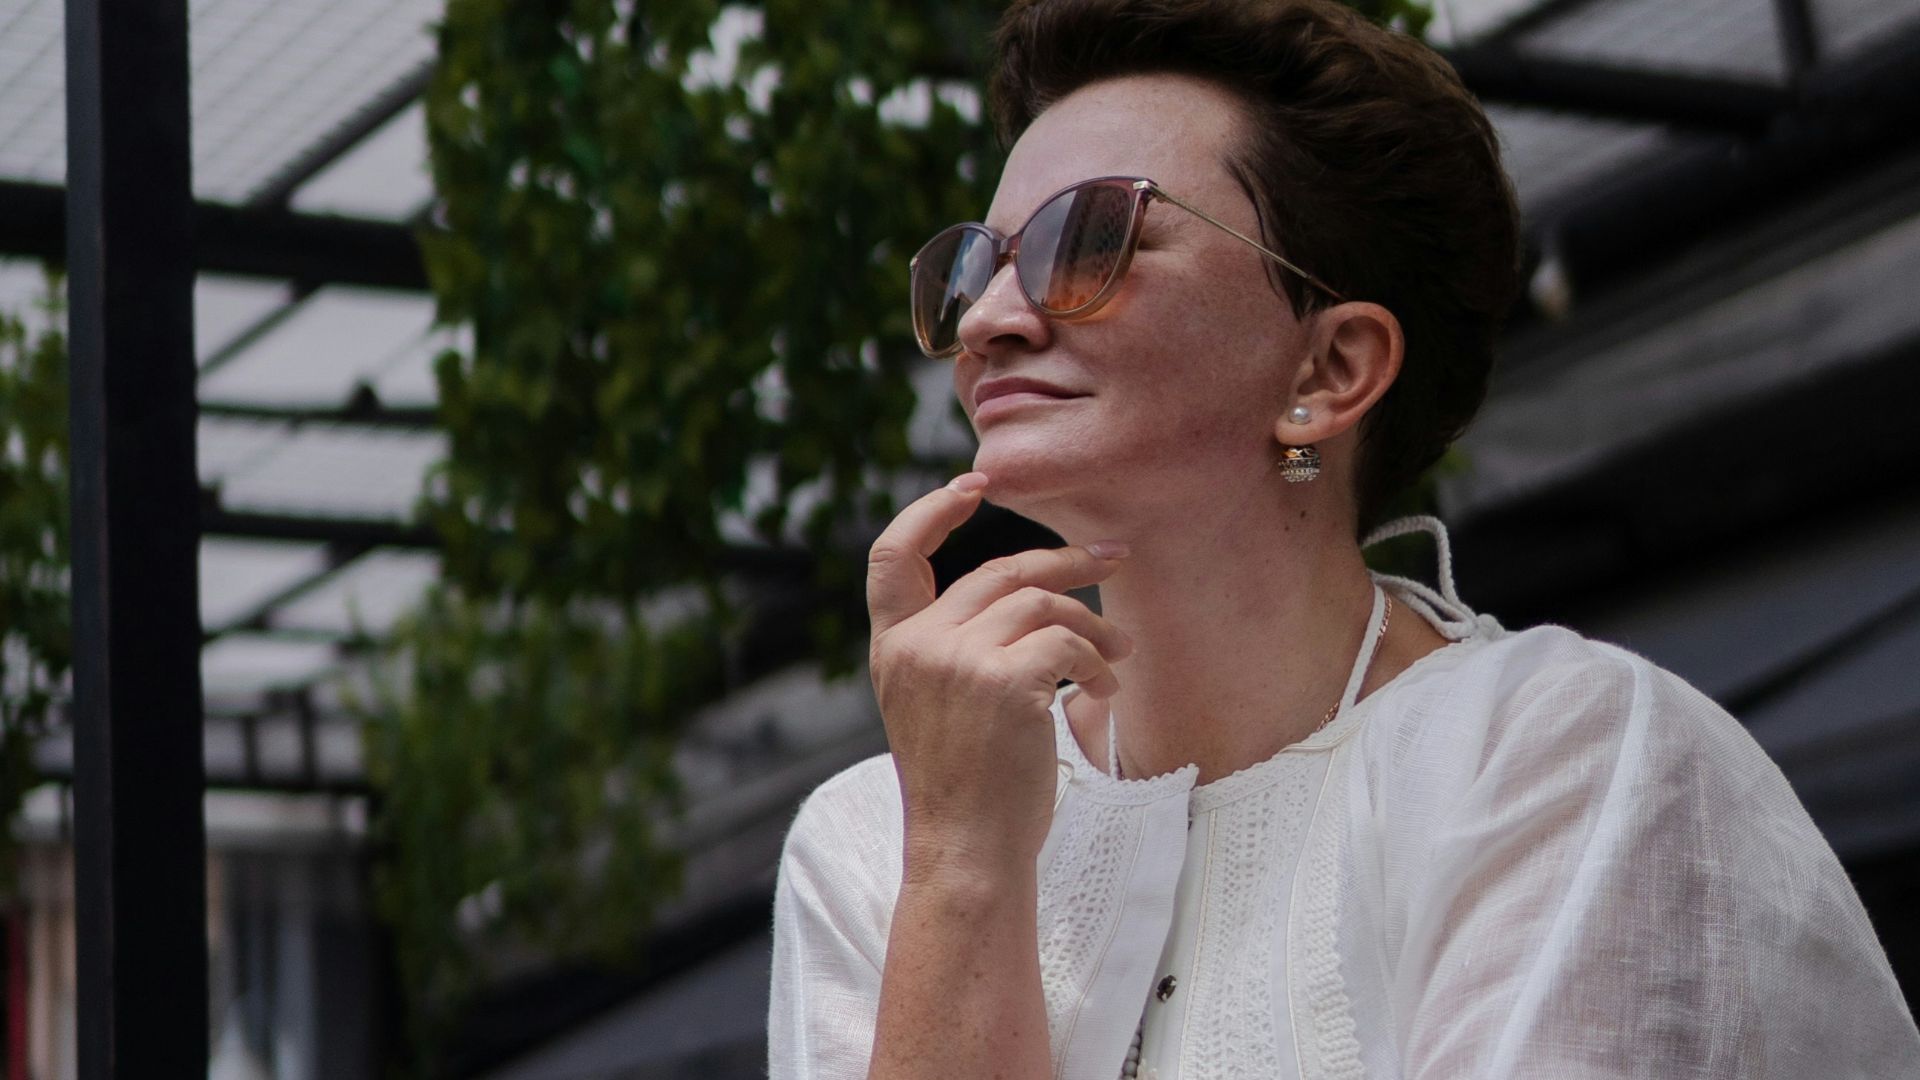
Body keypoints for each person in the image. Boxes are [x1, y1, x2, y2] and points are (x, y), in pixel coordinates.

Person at [768, 0, 1920, 1077]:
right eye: (978, 262)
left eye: (1090, 240)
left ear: (1327, 371)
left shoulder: (1555, 754)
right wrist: (960, 861)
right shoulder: (878, 841)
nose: (989, 319)